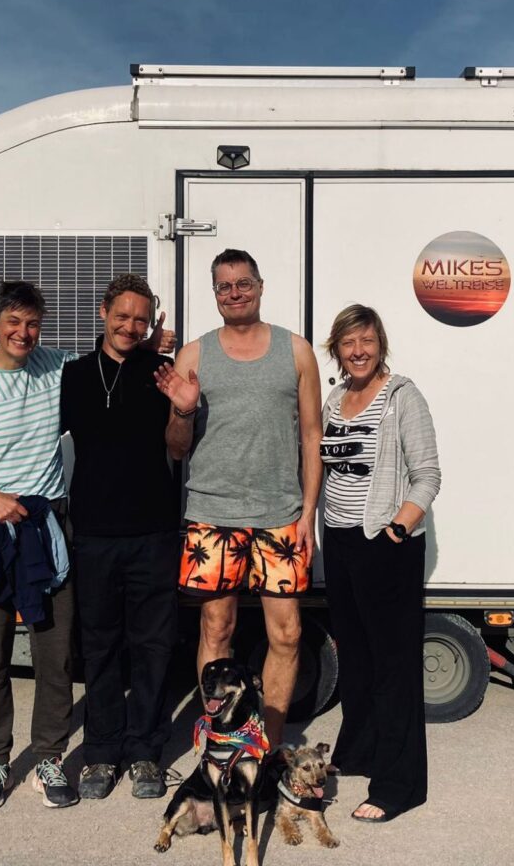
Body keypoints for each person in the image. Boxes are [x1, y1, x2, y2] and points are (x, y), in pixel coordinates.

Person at [0, 279, 172, 812]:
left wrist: (152, 343)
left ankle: (48, 756)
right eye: (13, 322)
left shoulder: (58, 368)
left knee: (56, 652)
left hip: (46, 522)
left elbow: (113, 354)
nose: (23, 333)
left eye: (32, 324)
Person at [154, 248, 323, 746]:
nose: (235, 293)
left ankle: (266, 746)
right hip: (213, 512)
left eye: (243, 283)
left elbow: (311, 435)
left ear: (260, 286)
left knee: (287, 634)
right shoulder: (194, 355)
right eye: (224, 286)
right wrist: (182, 412)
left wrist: (308, 514)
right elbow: (175, 447)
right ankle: (222, 744)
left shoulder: (296, 351)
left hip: (281, 515)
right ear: (215, 294)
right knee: (216, 629)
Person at [318, 304, 440, 824]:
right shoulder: (335, 399)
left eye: (366, 340)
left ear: (380, 343)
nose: (358, 351)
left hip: (385, 544)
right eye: (348, 342)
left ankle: (399, 784)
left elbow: (428, 475)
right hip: (341, 543)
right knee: (358, 659)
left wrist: (398, 528)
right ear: (337, 349)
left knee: (393, 667)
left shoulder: (402, 397)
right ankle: (362, 750)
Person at [60, 274, 180, 801]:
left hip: (154, 531)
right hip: (93, 534)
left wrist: (182, 405)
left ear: (150, 324)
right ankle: (101, 753)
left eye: (140, 319)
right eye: (122, 315)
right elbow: (26, 413)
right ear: (103, 312)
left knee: (153, 646)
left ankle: (146, 752)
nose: (130, 326)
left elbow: (179, 446)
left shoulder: (161, 373)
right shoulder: (72, 375)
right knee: (100, 646)